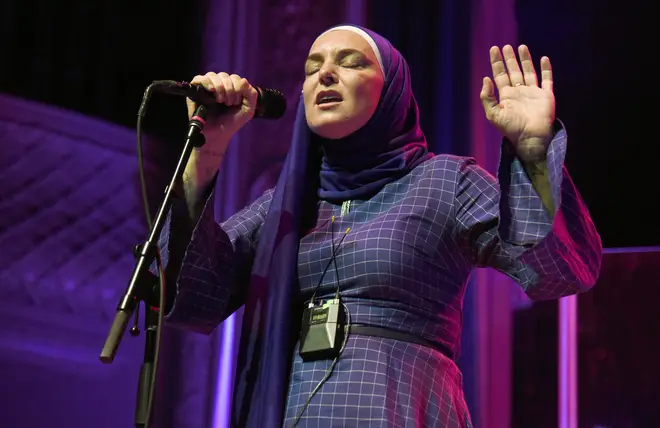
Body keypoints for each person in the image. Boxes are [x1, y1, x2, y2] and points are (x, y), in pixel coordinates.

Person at [158, 24, 602, 427]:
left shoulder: (445, 181)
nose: (325, 75)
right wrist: (206, 151)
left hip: (402, 407)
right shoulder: (282, 207)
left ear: (391, 91)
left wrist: (531, 149)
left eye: (349, 63)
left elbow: (559, 270)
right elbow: (187, 296)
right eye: (313, 69)